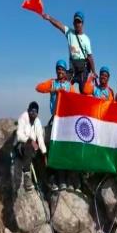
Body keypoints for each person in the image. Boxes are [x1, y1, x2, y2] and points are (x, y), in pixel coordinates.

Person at [35, 60, 77, 191]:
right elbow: (39, 87)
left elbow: (76, 101)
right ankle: (59, 179)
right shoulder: (53, 83)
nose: (60, 71)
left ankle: (68, 179)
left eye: (62, 70)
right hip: (56, 119)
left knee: (66, 150)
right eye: (58, 69)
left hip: (66, 120)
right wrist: (53, 89)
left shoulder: (69, 86)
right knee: (56, 150)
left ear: (65, 72)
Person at [42, 11, 97, 92]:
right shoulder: (69, 32)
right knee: (64, 84)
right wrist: (49, 18)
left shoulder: (86, 39)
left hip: (83, 69)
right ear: (73, 23)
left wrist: (94, 72)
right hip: (73, 68)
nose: (77, 24)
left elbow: (90, 57)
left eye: (79, 22)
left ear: (82, 23)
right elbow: (59, 25)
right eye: (76, 21)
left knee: (83, 90)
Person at [16, 101, 47, 191]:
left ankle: (44, 181)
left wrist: (44, 153)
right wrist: (30, 140)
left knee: (42, 154)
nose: (33, 113)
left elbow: (40, 138)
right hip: (22, 146)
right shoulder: (23, 118)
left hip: (33, 147)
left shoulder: (37, 121)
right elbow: (19, 135)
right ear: (28, 111)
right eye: (32, 111)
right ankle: (27, 178)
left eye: (35, 112)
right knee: (29, 147)